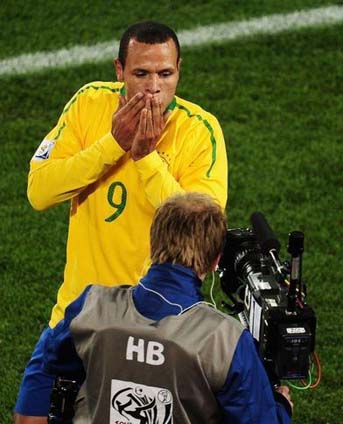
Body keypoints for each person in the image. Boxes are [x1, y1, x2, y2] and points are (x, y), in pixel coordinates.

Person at [14, 22, 228, 423]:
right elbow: (39, 191)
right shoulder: (89, 103)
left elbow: (203, 228)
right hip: (76, 319)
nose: (153, 88)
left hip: (154, 334)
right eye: (140, 74)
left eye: (165, 74)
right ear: (119, 70)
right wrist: (113, 144)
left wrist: (146, 158)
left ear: (179, 69)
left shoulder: (200, 132)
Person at [42, 192, 293, 423]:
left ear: (151, 245)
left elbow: (52, 365)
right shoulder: (227, 341)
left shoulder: (90, 306)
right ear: (215, 261)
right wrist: (281, 405)